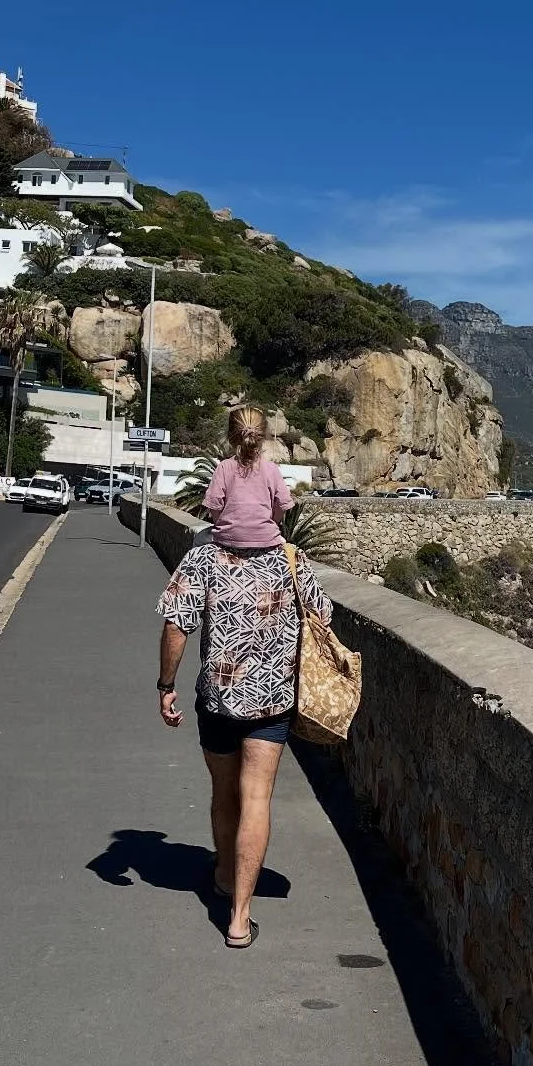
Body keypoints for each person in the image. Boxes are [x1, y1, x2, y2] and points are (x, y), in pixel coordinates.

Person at [156, 440, 332, 950]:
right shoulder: (291, 562)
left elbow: (176, 626)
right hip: (272, 704)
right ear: (271, 503)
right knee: (257, 797)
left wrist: (166, 685)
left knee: (223, 793)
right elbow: (323, 618)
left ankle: (224, 878)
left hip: (218, 700)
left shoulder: (202, 560)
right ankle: (239, 917)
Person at [201, 407, 294, 548]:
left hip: (229, 540)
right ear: (263, 437)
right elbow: (282, 505)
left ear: (230, 436)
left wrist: (226, 527)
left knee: (199, 539)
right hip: (266, 540)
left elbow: (214, 506)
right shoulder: (272, 469)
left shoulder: (224, 467)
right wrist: (272, 523)